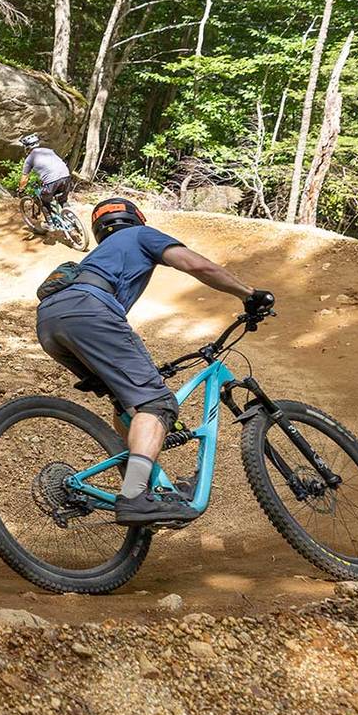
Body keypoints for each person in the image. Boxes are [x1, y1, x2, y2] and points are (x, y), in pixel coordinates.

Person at [36, 197, 275, 526]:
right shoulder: (140, 235)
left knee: (129, 403)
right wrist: (247, 294)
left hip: (50, 322)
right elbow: (197, 265)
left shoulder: (100, 256)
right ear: (137, 218)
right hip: (89, 311)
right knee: (157, 404)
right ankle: (134, 495)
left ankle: (147, 486)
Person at [17, 134, 72, 218]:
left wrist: (21, 190)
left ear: (27, 147)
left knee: (43, 201)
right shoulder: (49, 151)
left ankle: (49, 223)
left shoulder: (29, 158)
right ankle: (72, 217)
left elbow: (24, 178)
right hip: (66, 176)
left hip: (52, 181)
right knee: (63, 200)